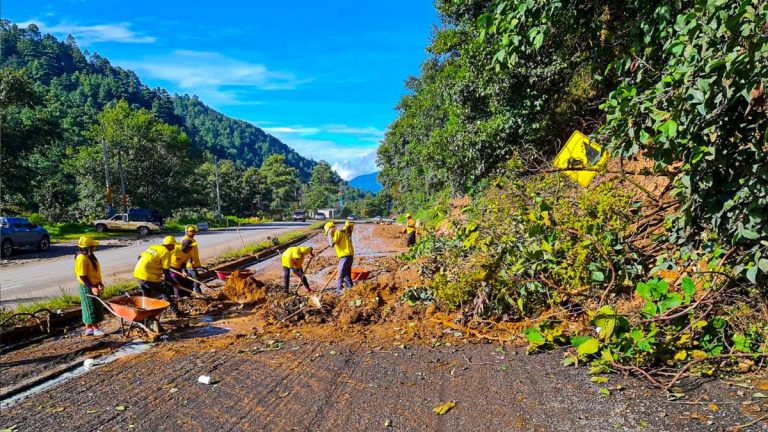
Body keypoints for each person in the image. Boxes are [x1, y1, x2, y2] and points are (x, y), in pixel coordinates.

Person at [133, 236, 183, 317]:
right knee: (165, 292)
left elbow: (139, 257)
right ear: (169, 245)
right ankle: (176, 313)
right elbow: (166, 272)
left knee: (146, 295)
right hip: (148, 276)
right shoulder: (166, 252)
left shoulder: (154, 247)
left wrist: (152, 267)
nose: (174, 248)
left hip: (138, 274)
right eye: (173, 245)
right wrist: (174, 283)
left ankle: (145, 315)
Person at [74, 236, 105, 336]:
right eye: (93, 246)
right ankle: (96, 329)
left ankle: (89, 328)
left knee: (94, 306)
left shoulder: (90, 256)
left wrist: (99, 283)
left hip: (94, 284)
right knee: (90, 307)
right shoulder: (81, 258)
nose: (95, 247)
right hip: (87, 286)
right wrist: (92, 287)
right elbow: (82, 276)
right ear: (88, 247)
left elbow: (95, 272)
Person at [331, 220, 355, 295]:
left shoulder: (342, 233)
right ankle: (352, 291)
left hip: (346, 257)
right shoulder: (343, 233)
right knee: (347, 276)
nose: (350, 230)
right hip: (348, 257)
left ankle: (338, 293)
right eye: (349, 228)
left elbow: (331, 244)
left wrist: (329, 234)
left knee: (340, 276)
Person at [181, 224, 203, 294]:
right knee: (196, 278)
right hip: (190, 264)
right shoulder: (186, 240)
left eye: (194, 231)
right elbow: (185, 252)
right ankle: (198, 292)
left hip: (194, 262)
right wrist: (190, 261)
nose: (193, 233)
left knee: (191, 279)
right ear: (187, 232)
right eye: (191, 231)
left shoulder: (192, 239)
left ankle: (191, 292)